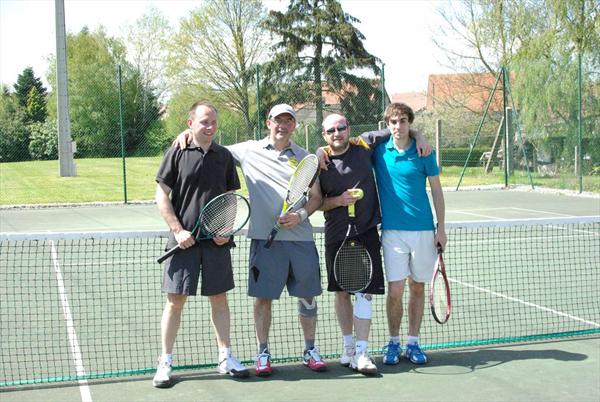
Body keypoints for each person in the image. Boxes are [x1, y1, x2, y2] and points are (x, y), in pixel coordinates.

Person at [175, 104, 326, 377]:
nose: (283, 125)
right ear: (268, 122)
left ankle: (310, 350)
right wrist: (185, 135)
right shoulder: (247, 150)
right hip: (264, 241)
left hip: (301, 239)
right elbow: (209, 144)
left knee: (307, 297)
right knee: (263, 299)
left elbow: (316, 197)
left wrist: (301, 215)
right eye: (277, 120)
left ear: (294, 126)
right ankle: (263, 353)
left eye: (288, 121)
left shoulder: (306, 158)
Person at [316, 113, 431, 375]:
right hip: (336, 232)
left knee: (365, 292)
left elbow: (398, 129)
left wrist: (419, 134)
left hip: (367, 230)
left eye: (341, 128)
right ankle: (347, 347)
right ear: (324, 135)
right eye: (331, 130)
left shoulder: (365, 144)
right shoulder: (319, 162)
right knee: (341, 292)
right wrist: (337, 201)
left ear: (349, 128)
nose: (337, 133)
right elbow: (317, 202)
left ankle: (362, 351)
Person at [153, 101, 248, 388]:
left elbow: (230, 197)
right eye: (204, 121)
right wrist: (178, 230)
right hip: (182, 243)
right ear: (190, 122)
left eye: (213, 122)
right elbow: (161, 195)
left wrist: (226, 229)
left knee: (219, 298)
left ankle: (225, 357)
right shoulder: (177, 152)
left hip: (216, 243)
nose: (209, 127)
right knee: (175, 302)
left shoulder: (224, 156)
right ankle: (165, 362)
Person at [363, 102, 447, 366]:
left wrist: (441, 228)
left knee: (417, 287)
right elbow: (354, 142)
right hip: (392, 233)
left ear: (409, 123)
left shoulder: (424, 152)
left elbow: (436, 191)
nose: (397, 126)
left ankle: (413, 342)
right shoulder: (379, 152)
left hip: (423, 230)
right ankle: (393, 341)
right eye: (392, 122)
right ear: (387, 125)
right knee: (396, 289)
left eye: (402, 121)